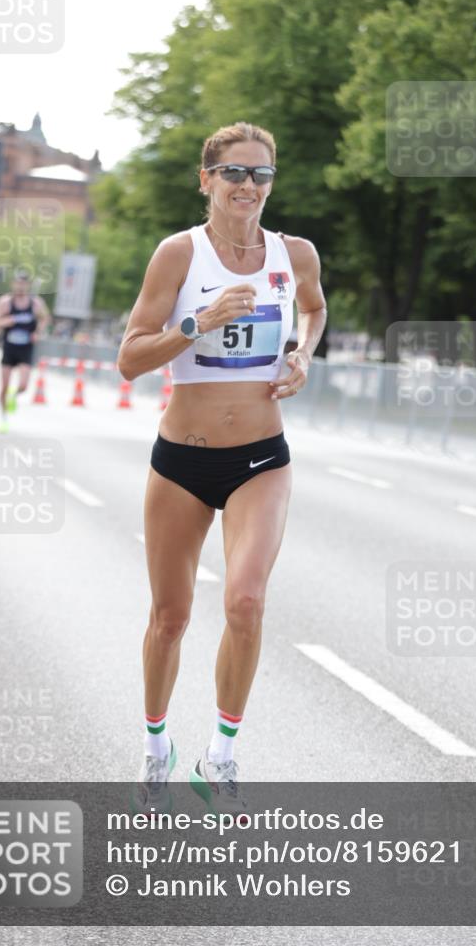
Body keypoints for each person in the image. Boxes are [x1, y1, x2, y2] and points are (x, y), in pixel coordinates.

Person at [117, 122, 327, 816]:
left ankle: (222, 754)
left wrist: (301, 354)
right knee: (170, 617)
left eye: (260, 175)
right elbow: (130, 358)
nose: (247, 186)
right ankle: (155, 751)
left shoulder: (294, 254)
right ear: (205, 180)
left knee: (244, 600)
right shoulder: (178, 254)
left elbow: (315, 309)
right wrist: (197, 323)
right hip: (181, 460)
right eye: (233, 173)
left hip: (262, 457)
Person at [0, 273, 50, 431]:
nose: (20, 287)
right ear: (13, 284)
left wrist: (38, 332)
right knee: (4, 386)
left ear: (27, 286)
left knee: (23, 385)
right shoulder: (5, 303)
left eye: (23, 284)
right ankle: (4, 420)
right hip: (9, 347)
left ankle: (14, 396)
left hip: (26, 348)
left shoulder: (35, 303)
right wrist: (7, 321)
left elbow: (45, 319)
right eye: (17, 284)